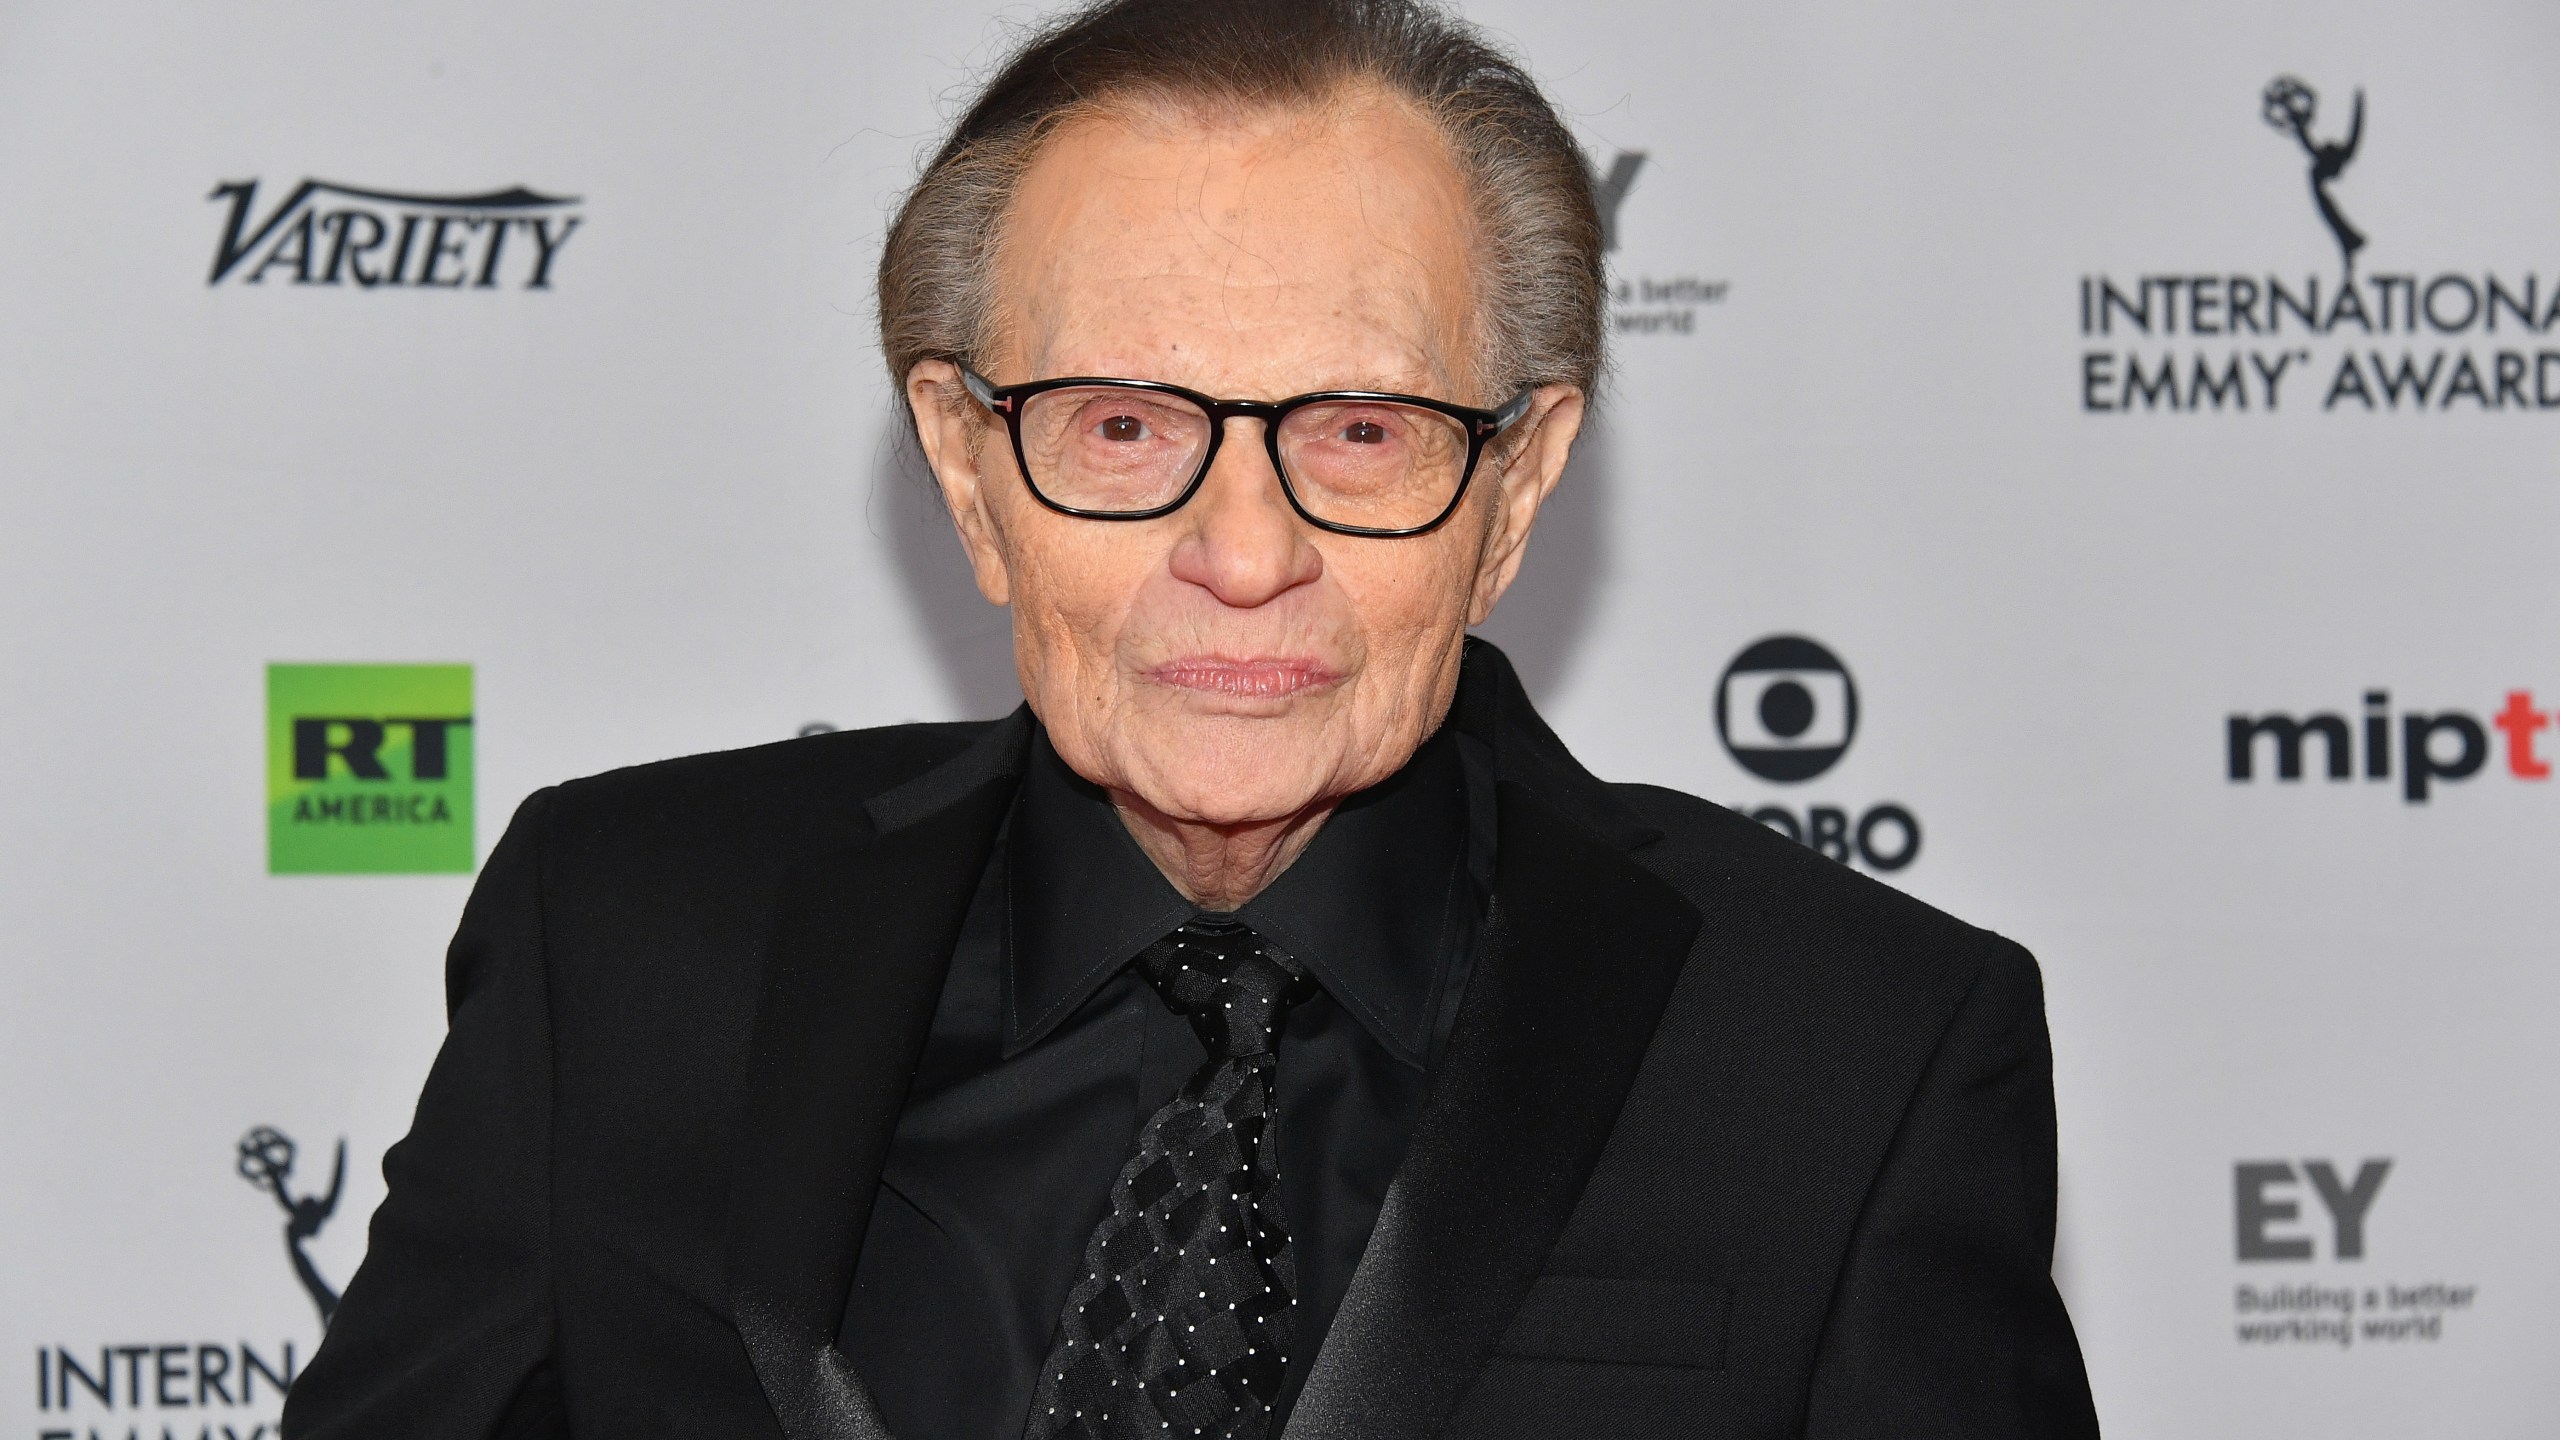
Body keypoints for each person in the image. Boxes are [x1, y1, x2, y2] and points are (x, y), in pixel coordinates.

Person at [282, 1, 2099, 1436]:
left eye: (1363, 431)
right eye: (1126, 428)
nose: (1244, 555)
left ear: (1518, 487)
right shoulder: (625, 934)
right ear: (972, 470)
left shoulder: (1854, 1049)